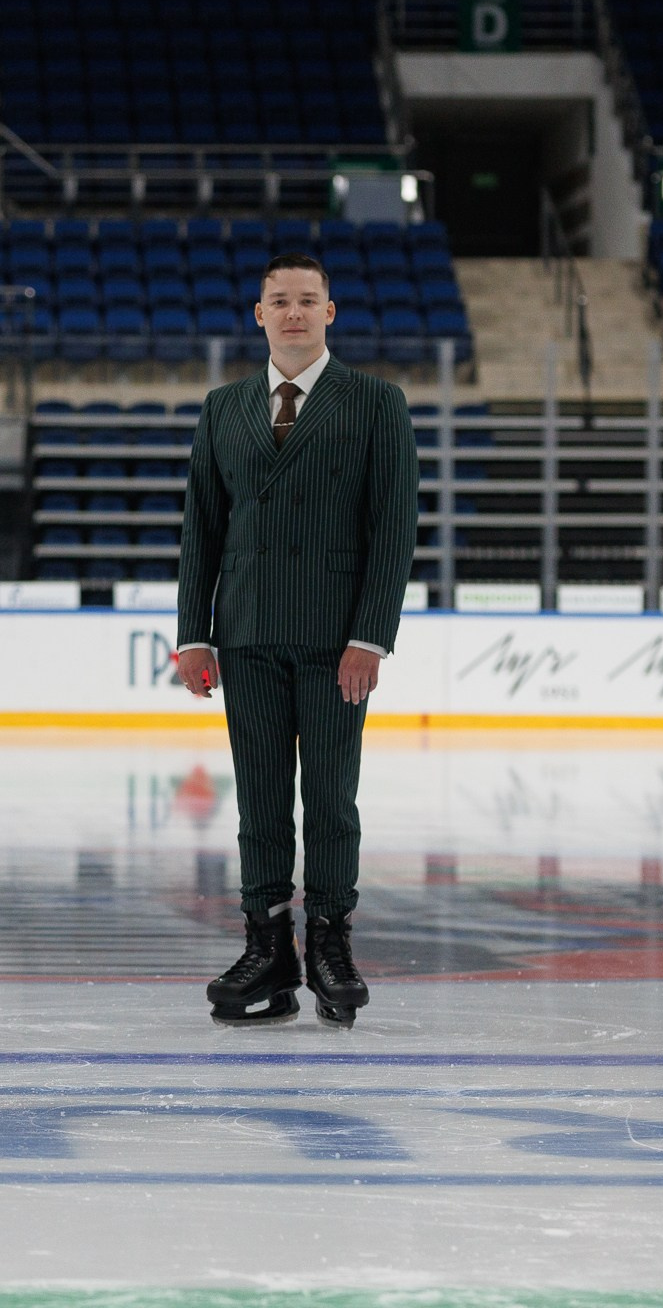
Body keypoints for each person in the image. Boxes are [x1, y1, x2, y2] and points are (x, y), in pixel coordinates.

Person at [173, 252, 420, 1028]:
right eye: (279, 301)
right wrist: (193, 634)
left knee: (330, 799)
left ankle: (331, 943)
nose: (293, 313)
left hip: (334, 639)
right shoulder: (223, 407)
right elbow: (201, 530)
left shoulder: (377, 403)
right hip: (244, 635)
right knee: (261, 802)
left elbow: (393, 531)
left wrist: (371, 639)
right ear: (258, 313)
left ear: (330, 312)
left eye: (307, 301)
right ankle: (266, 947)